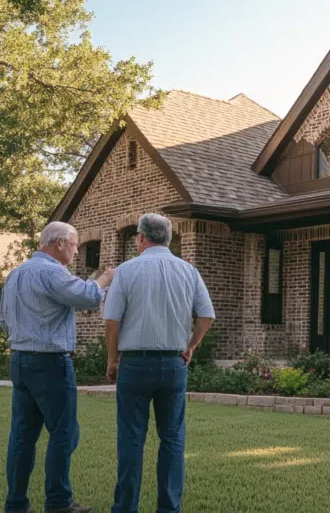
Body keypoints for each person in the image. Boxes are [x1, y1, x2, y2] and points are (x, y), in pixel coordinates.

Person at [0, 222, 115, 513]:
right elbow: (87, 296)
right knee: (64, 432)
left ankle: (16, 504)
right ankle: (59, 503)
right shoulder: (52, 272)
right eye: (75, 245)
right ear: (60, 243)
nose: (76, 251)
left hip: (20, 361)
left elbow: (3, 319)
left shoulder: (16, 274)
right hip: (50, 363)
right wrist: (105, 278)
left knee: (22, 436)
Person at [103, 213, 214, 513]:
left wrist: (112, 359)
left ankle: (125, 507)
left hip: (135, 364)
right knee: (173, 438)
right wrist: (191, 346)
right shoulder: (189, 271)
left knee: (131, 439)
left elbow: (111, 321)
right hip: (173, 363)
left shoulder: (126, 271)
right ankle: (169, 508)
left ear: (141, 238)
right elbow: (206, 316)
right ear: (168, 238)